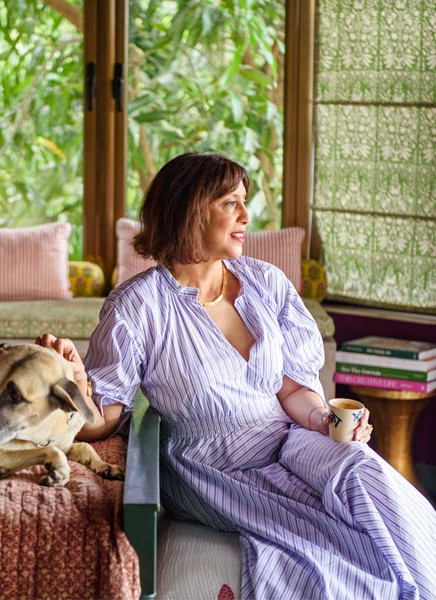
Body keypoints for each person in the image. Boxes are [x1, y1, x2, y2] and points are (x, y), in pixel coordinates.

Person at [37, 152, 436, 599]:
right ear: (189, 209)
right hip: (212, 464)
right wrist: (73, 378)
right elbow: (105, 416)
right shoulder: (137, 307)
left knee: (361, 469)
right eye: (230, 203)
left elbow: (290, 387)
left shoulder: (267, 283)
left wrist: (324, 422)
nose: (246, 216)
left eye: (244, 202)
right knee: (317, 540)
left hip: (286, 438)